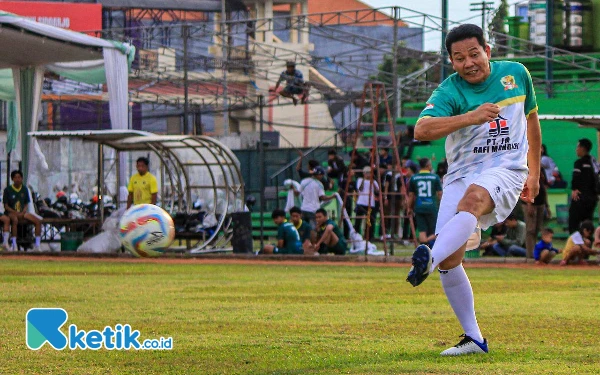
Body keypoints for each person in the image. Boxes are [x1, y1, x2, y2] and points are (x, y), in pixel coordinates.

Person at [406, 24, 541, 356]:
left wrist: (534, 175)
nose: (468, 62)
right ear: (452, 62)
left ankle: (428, 257)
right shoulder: (449, 91)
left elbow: (533, 122)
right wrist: (470, 117)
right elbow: (421, 130)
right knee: (452, 261)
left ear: (488, 51)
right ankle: (474, 339)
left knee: (473, 200)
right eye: (459, 57)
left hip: (507, 169)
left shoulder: (517, 75)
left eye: (474, 54)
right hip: (460, 174)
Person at [407, 158, 443, 247]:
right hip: (431, 206)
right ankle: (429, 247)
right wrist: (442, 206)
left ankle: (424, 248)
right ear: (428, 166)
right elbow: (440, 194)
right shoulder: (435, 177)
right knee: (436, 231)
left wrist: (409, 208)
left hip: (419, 207)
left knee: (422, 231)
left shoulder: (414, 178)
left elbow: (411, 196)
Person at [4, 170, 42, 252]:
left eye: (19, 177)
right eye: (15, 177)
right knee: (15, 220)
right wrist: (15, 213)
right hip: (11, 213)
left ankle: (37, 245)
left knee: (38, 221)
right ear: (12, 179)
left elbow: (26, 203)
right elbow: (6, 206)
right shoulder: (8, 190)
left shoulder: (25, 189)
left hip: (22, 212)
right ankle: (14, 245)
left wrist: (23, 212)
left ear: (21, 178)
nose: (17, 179)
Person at [568, 138, 599, 234]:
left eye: (577, 147)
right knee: (587, 222)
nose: (576, 149)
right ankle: (588, 242)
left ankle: (575, 244)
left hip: (580, 197)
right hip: (592, 198)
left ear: (582, 148)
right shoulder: (594, 162)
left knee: (574, 222)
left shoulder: (579, 163)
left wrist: (574, 189)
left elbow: (576, 178)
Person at [525, 167, 550, 259]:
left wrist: (547, 206)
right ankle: (530, 254)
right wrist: (529, 203)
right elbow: (525, 186)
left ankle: (535, 252)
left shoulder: (541, 168)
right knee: (530, 229)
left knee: (537, 229)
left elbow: (544, 186)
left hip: (541, 202)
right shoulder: (527, 167)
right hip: (531, 203)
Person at [353, 166, 379, 241]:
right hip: (361, 202)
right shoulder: (360, 180)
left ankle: (369, 237)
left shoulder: (374, 181)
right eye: (367, 173)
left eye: (369, 173)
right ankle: (356, 236)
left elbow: (377, 190)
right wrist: (364, 180)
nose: (368, 174)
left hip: (371, 203)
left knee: (370, 221)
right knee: (358, 220)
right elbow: (359, 189)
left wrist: (372, 182)